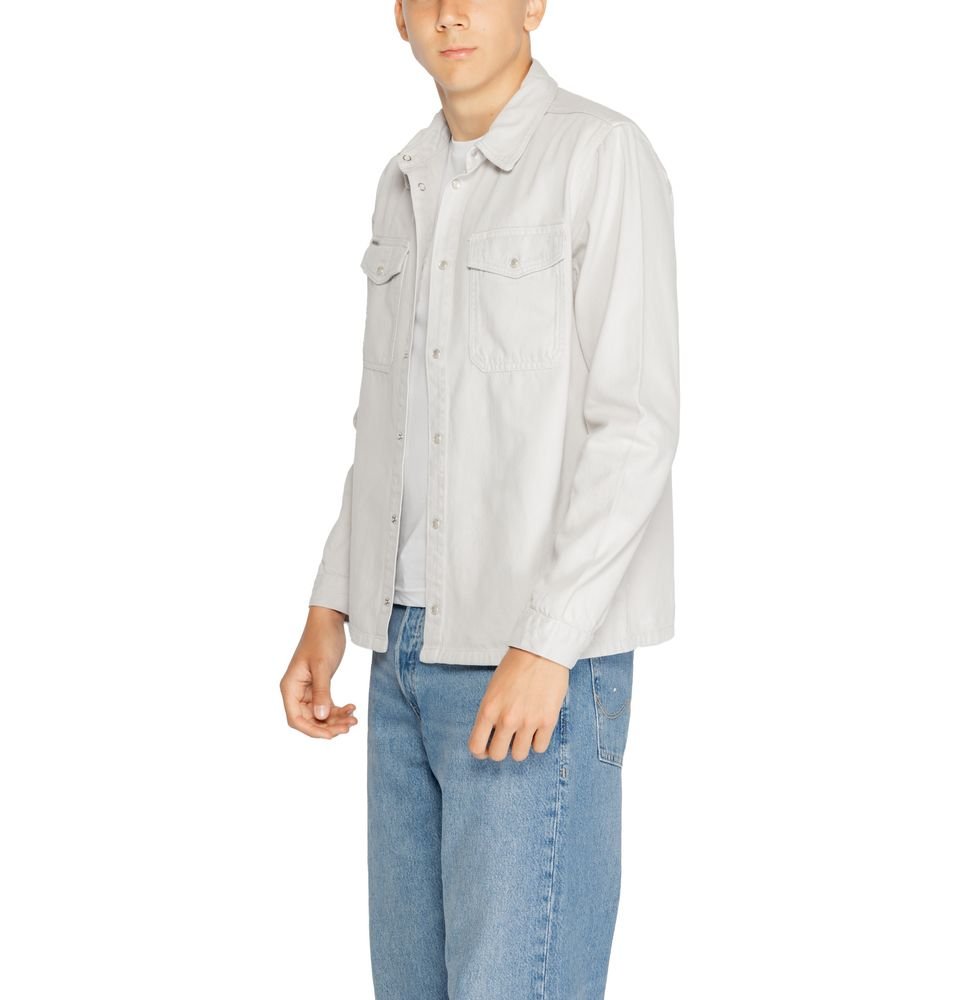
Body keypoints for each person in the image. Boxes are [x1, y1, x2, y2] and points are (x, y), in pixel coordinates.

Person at [279, 2, 680, 996]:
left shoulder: (599, 155)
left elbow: (635, 424)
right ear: (398, 17)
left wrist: (547, 646)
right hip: (400, 658)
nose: (450, 12)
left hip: (530, 663)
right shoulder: (405, 178)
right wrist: (332, 602)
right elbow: (388, 420)